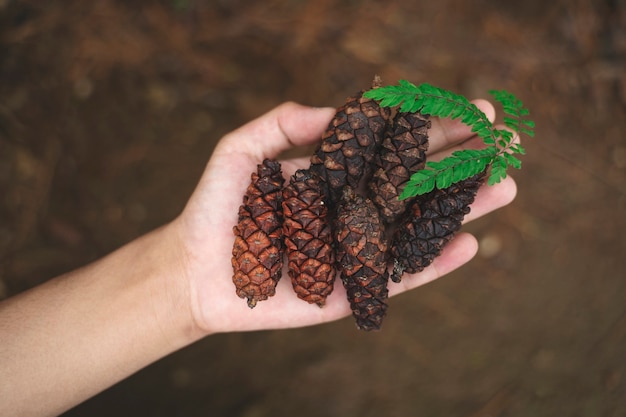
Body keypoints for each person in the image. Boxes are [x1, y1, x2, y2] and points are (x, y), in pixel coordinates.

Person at [0, 99, 517, 417]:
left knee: (426, 203)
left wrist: (180, 288)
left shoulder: (342, 210)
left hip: (351, 224)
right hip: (342, 223)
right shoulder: (312, 204)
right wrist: (182, 282)